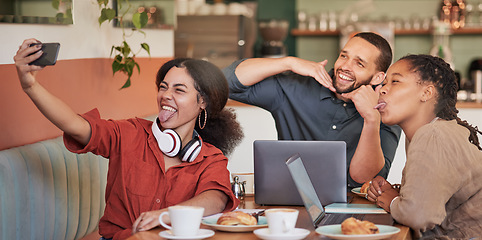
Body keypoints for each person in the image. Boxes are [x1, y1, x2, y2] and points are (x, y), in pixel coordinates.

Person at [14, 39, 244, 240]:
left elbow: (215, 199)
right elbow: (74, 125)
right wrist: (30, 85)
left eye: (179, 90)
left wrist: (165, 215)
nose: (166, 95)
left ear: (202, 102)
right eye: (163, 87)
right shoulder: (129, 133)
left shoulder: (210, 157)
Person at [223, 32, 401, 188]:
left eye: (359, 64)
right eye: (344, 56)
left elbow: (365, 179)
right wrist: (288, 62)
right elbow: (225, 83)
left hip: (355, 209)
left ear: (378, 77)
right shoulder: (297, 87)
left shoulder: (386, 110)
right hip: (290, 201)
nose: (345, 67)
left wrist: (371, 119)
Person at [366, 54, 482, 238]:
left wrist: (394, 201)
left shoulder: (432, 135)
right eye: (384, 82)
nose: (382, 90)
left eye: (395, 81)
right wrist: (397, 193)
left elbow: (419, 215)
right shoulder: (430, 131)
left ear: (427, 93)